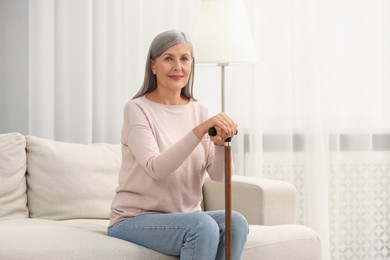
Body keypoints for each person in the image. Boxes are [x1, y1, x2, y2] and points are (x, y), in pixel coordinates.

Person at [107, 29, 248, 260]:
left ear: (192, 64)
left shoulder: (200, 110)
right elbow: (157, 168)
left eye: (184, 58)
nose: (177, 67)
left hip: (186, 218)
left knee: (236, 223)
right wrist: (200, 130)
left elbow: (220, 177)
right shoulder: (137, 109)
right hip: (135, 220)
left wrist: (221, 145)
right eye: (168, 58)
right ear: (153, 66)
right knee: (202, 226)